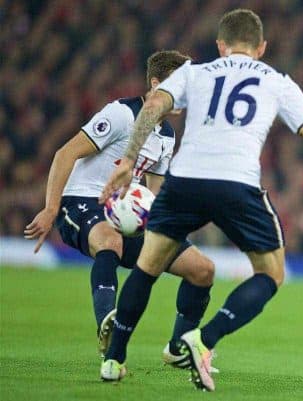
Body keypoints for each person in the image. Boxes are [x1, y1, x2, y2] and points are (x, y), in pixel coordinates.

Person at [98, 8, 303, 391]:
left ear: (221, 45)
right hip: (236, 183)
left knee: (147, 267)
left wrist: (128, 161)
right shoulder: (277, 81)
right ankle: (204, 338)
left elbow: (154, 104)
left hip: (185, 180)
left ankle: (113, 359)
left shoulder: (196, 71)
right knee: (271, 274)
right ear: (262, 47)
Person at [24, 51, 216, 368]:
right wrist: (50, 209)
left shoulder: (167, 136)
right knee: (110, 241)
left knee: (202, 269)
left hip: (124, 215)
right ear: (156, 84)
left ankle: (179, 348)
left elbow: (154, 196)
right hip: (81, 201)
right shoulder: (122, 114)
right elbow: (65, 153)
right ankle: (108, 330)